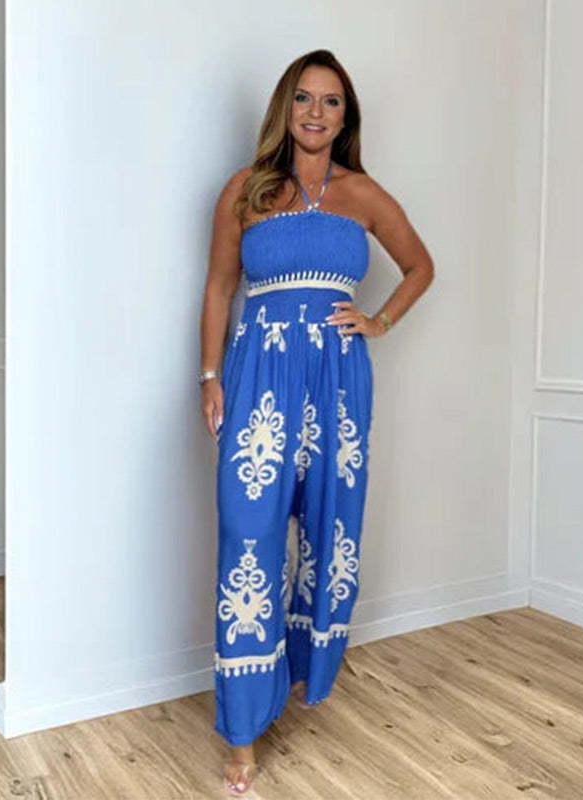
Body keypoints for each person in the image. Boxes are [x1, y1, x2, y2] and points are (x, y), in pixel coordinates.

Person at [199, 48, 434, 795]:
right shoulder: (246, 188)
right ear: (284, 107)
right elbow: (219, 287)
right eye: (304, 97)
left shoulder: (362, 194)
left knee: (330, 526)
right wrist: (209, 376)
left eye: (331, 101)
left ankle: (301, 670)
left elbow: (421, 266)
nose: (316, 112)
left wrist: (379, 322)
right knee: (250, 531)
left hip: (337, 380)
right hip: (260, 376)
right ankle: (242, 732)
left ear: (345, 116)